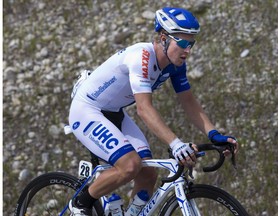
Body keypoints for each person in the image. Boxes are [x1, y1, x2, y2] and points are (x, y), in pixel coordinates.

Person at [68, 7, 239, 215]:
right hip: (88, 110)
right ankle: (80, 204)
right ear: (164, 38)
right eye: (183, 43)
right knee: (130, 165)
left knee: (148, 174)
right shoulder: (142, 57)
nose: (188, 50)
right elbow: (143, 108)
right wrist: (175, 144)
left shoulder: (175, 65)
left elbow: (188, 102)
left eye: (191, 44)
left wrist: (215, 135)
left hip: (114, 113)